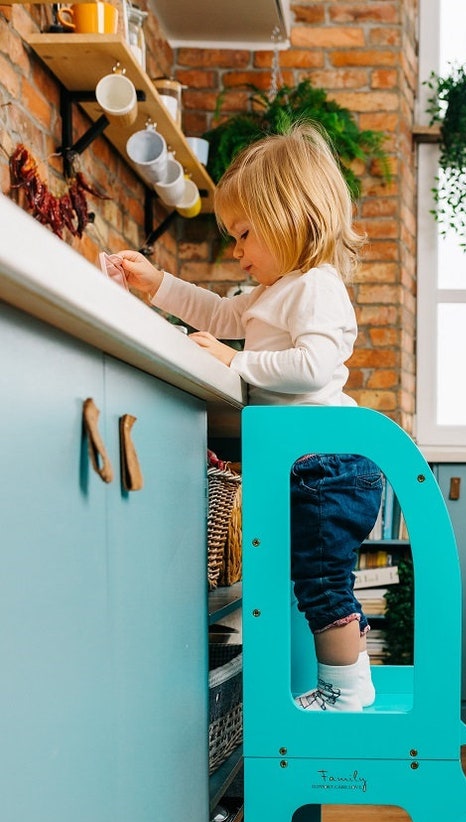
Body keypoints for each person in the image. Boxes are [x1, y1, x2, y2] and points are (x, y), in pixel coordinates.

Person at [117, 123, 383, 711]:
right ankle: (348, 681)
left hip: (329, 467)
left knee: (321, 585)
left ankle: (347, 692)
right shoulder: (273, 292)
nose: (235, 251)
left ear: (291, 217)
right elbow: (213, 308)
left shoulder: (315, 285)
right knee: (319, 581)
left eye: (243, 234)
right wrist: (154, 282)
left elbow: (315, 365)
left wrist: (238, 360)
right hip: (311, 464)